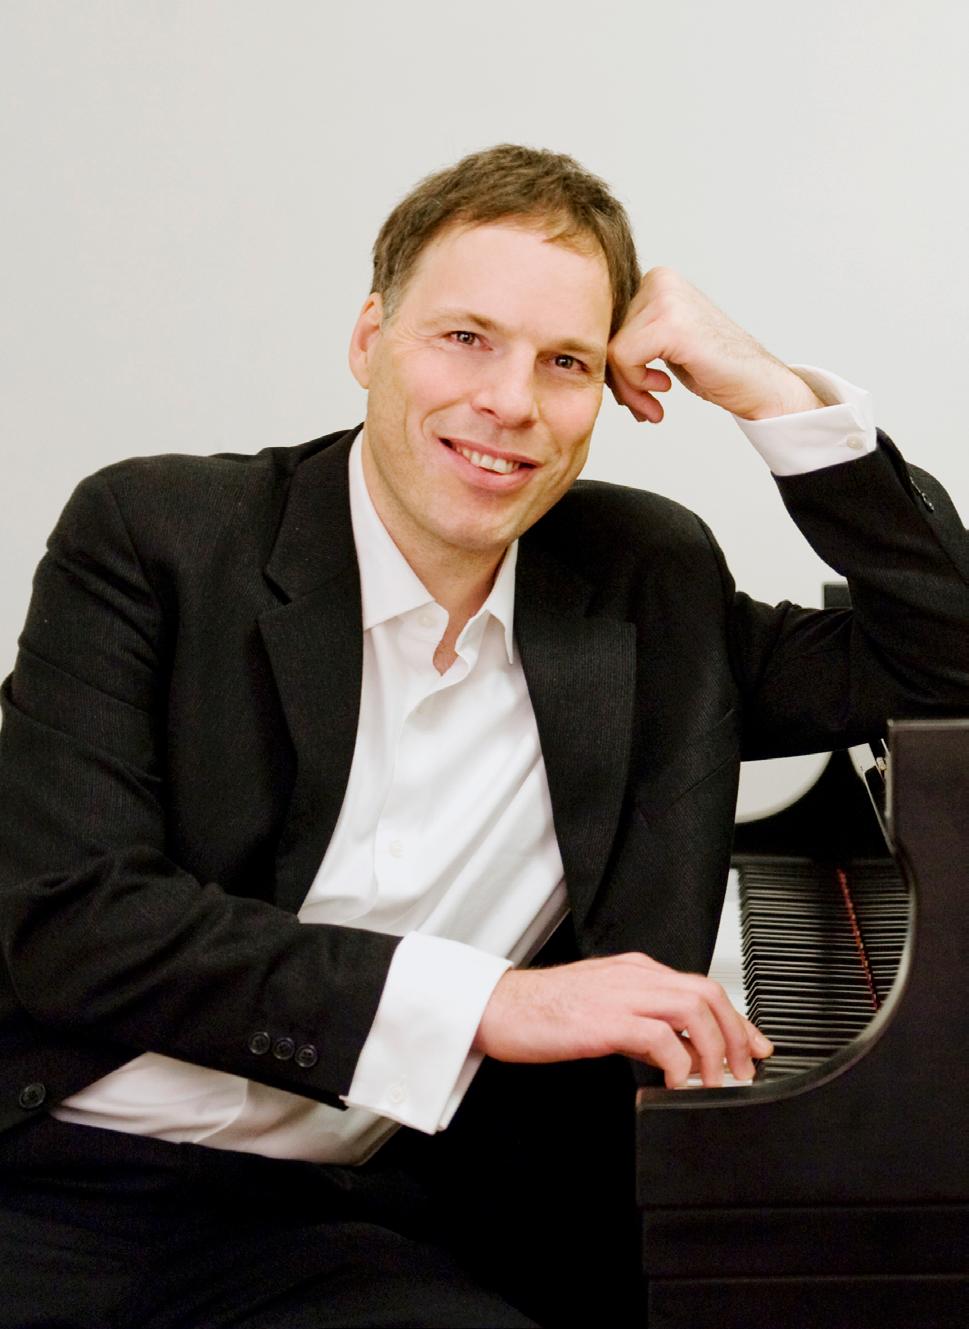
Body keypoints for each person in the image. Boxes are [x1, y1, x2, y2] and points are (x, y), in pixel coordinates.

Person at [1, 143, 967, 1328]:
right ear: (370, 339)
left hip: (347, 1223)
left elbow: (948, 660)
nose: (511, 402)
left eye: (565, 361)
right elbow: (73, 919)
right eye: (466, 337)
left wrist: (769, 391)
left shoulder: (641, 582)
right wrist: (490, 1004)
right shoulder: (159, 539)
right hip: (56, 1177)